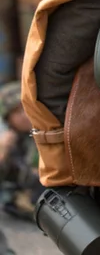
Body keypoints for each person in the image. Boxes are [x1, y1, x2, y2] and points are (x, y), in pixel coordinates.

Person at [0, 82, 42, 221]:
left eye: (25, 108)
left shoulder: (45, 133)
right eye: (17, 112)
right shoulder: (11, 140)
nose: (24, 115)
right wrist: (3, 152)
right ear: (8, 118)